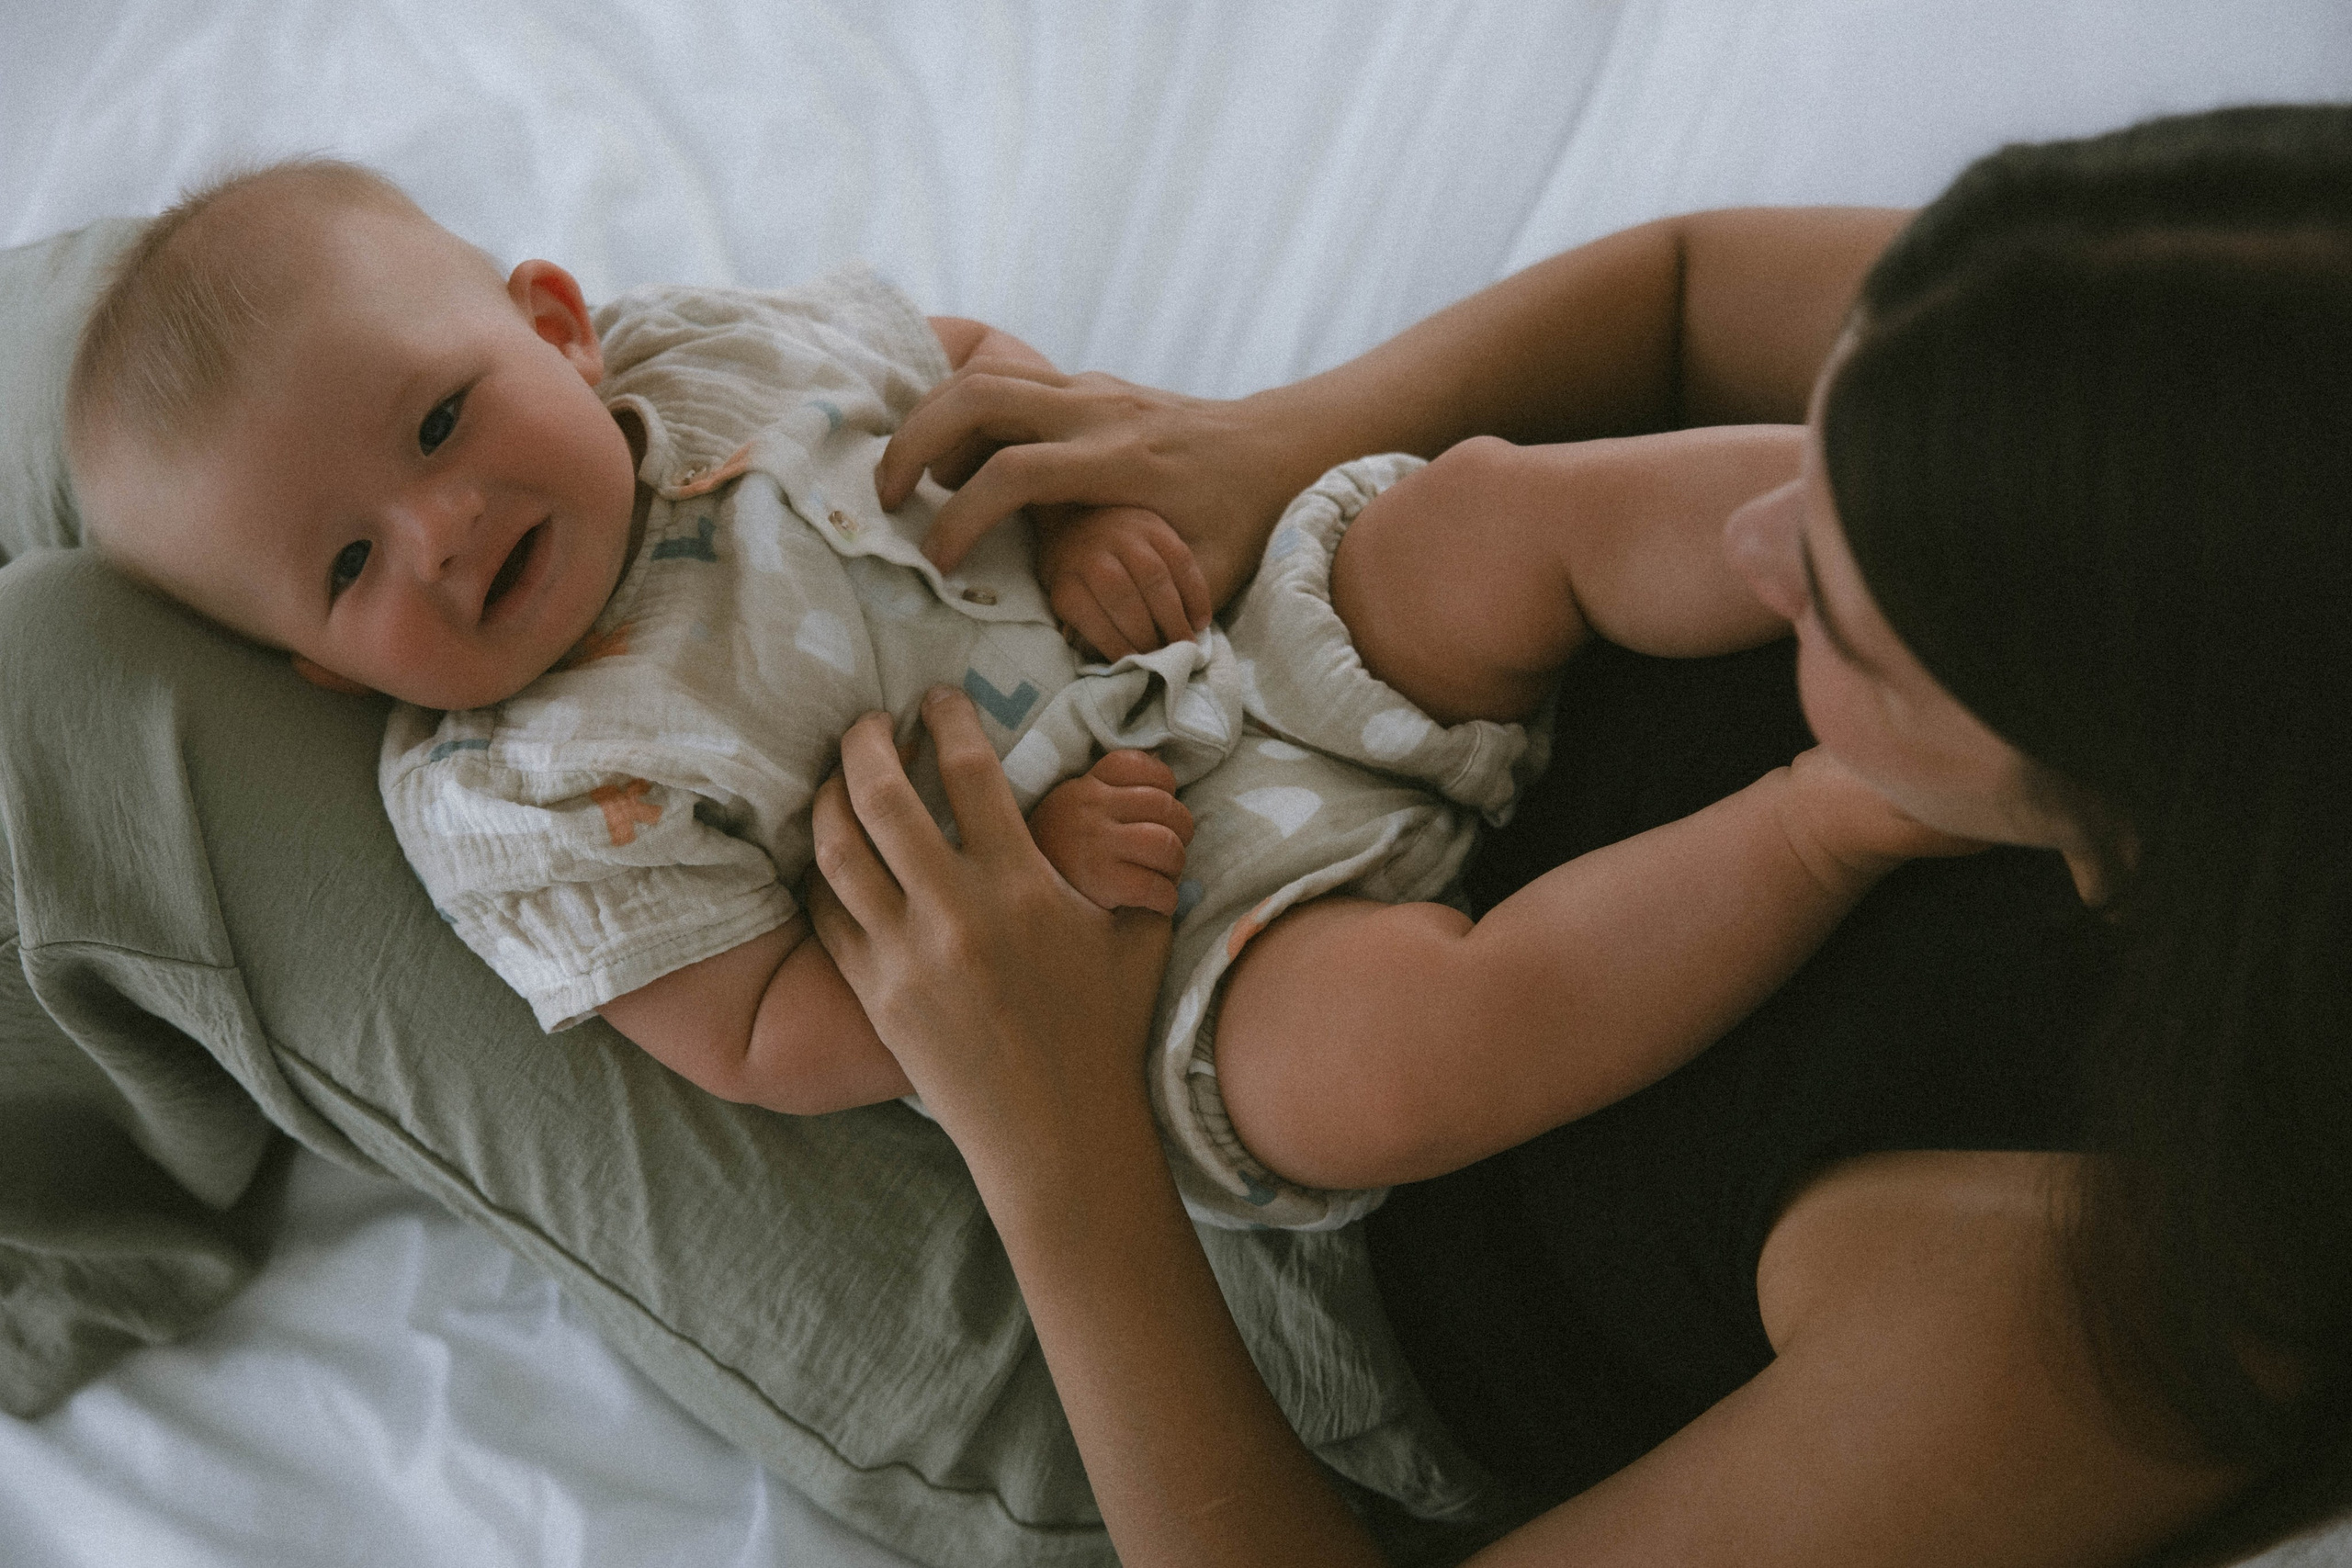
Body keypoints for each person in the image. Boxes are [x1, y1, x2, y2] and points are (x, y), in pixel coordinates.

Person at [810, 103, 2352, 1565]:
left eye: (1845, 612)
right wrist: (1271, 439)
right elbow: (1690, 293)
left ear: (2119, 822)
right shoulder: (2208, 349)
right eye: (1814, 447)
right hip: (1351, 712)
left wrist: (1055, 1139)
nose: (1762, 530)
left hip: (1261, 1285)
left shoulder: (2089, 1299)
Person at [62, 158, 1951, 1231]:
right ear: (316, 668)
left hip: (1235, 634)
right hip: (1171, 946)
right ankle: (1839, 814)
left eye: (442, 417)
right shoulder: (523, 791)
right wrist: (1029, 884)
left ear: (553, 320)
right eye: (344, 566)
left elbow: (966, 373)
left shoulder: (708, 354)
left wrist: (1081, 517)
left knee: (1490, 514)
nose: (442, 526)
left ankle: (1909, 514)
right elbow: (755, 1037)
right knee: (1404, 1054)